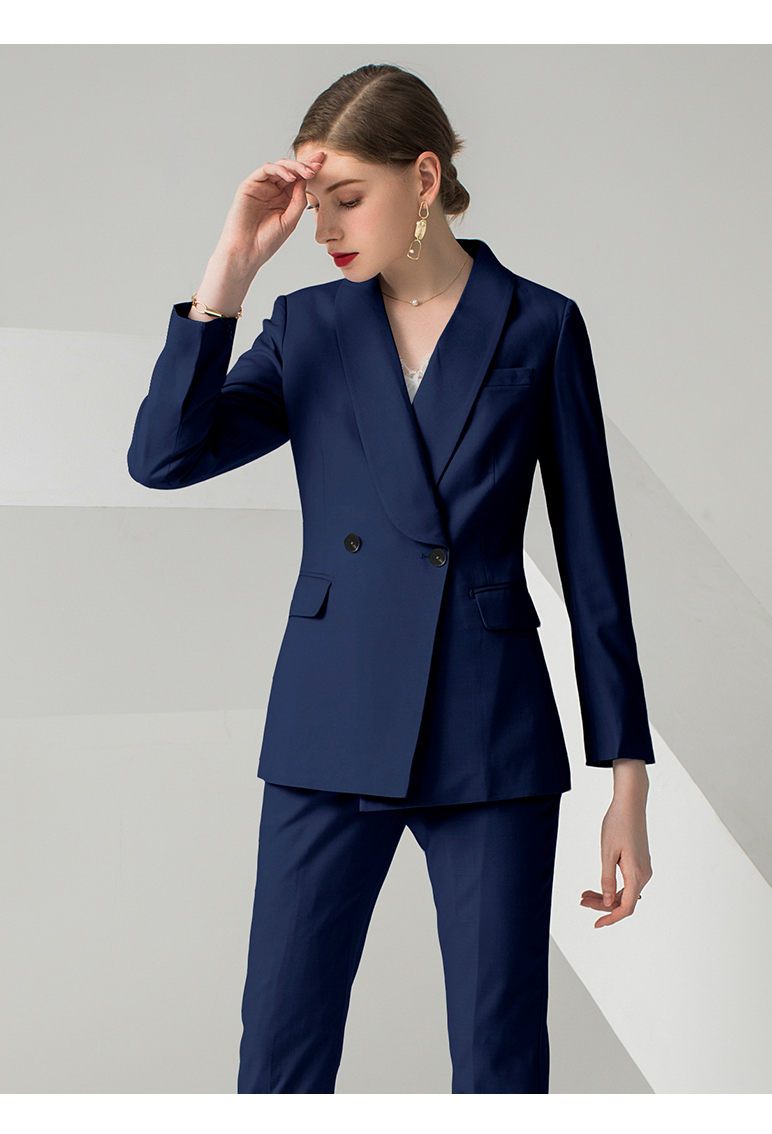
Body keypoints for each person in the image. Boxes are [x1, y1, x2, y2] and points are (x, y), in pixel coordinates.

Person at [127, 63, 654, 1094]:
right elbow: (164, 458)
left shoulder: (540, 324)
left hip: (489, 732)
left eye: (346, 198)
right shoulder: (308, 327)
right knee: (279, 1053)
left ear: (423, 178)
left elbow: (594, 557)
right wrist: (230, 269)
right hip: (330, 720)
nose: (324, 229)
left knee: (499, 1062)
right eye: (314, 205)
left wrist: (625, 778)